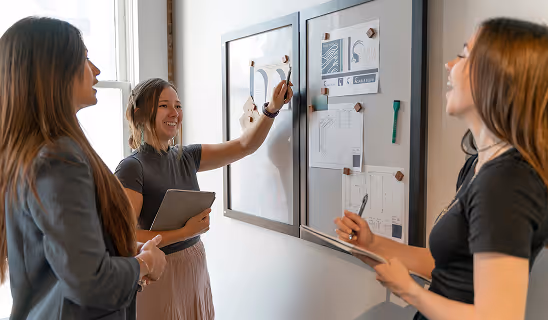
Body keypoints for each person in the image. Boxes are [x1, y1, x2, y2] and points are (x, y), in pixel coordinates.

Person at [335, 17, 548, 320]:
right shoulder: (479, 165)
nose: (449, 65)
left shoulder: (507, 183)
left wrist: (410, 291)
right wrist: (372, 244)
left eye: (464, 55)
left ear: (499, 76)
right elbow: (446, 265)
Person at [0, 17, 167, 320]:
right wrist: (145, 265)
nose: (97, 71)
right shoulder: (58, 158)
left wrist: (124, 249)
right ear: (55, 72)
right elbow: (90, 282)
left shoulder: (32, 153)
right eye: (86, 59)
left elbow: (67, 256)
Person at [115, 77, 293, 319]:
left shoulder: (187, 156)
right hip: (158, 272)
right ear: (140, 114)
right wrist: (184, 233)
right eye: (164, 105)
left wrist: (271, 109)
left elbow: (244, 145)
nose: (174, 113)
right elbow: (124, 237)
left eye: (178, 106)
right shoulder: (131, 168)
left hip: (194, 263)